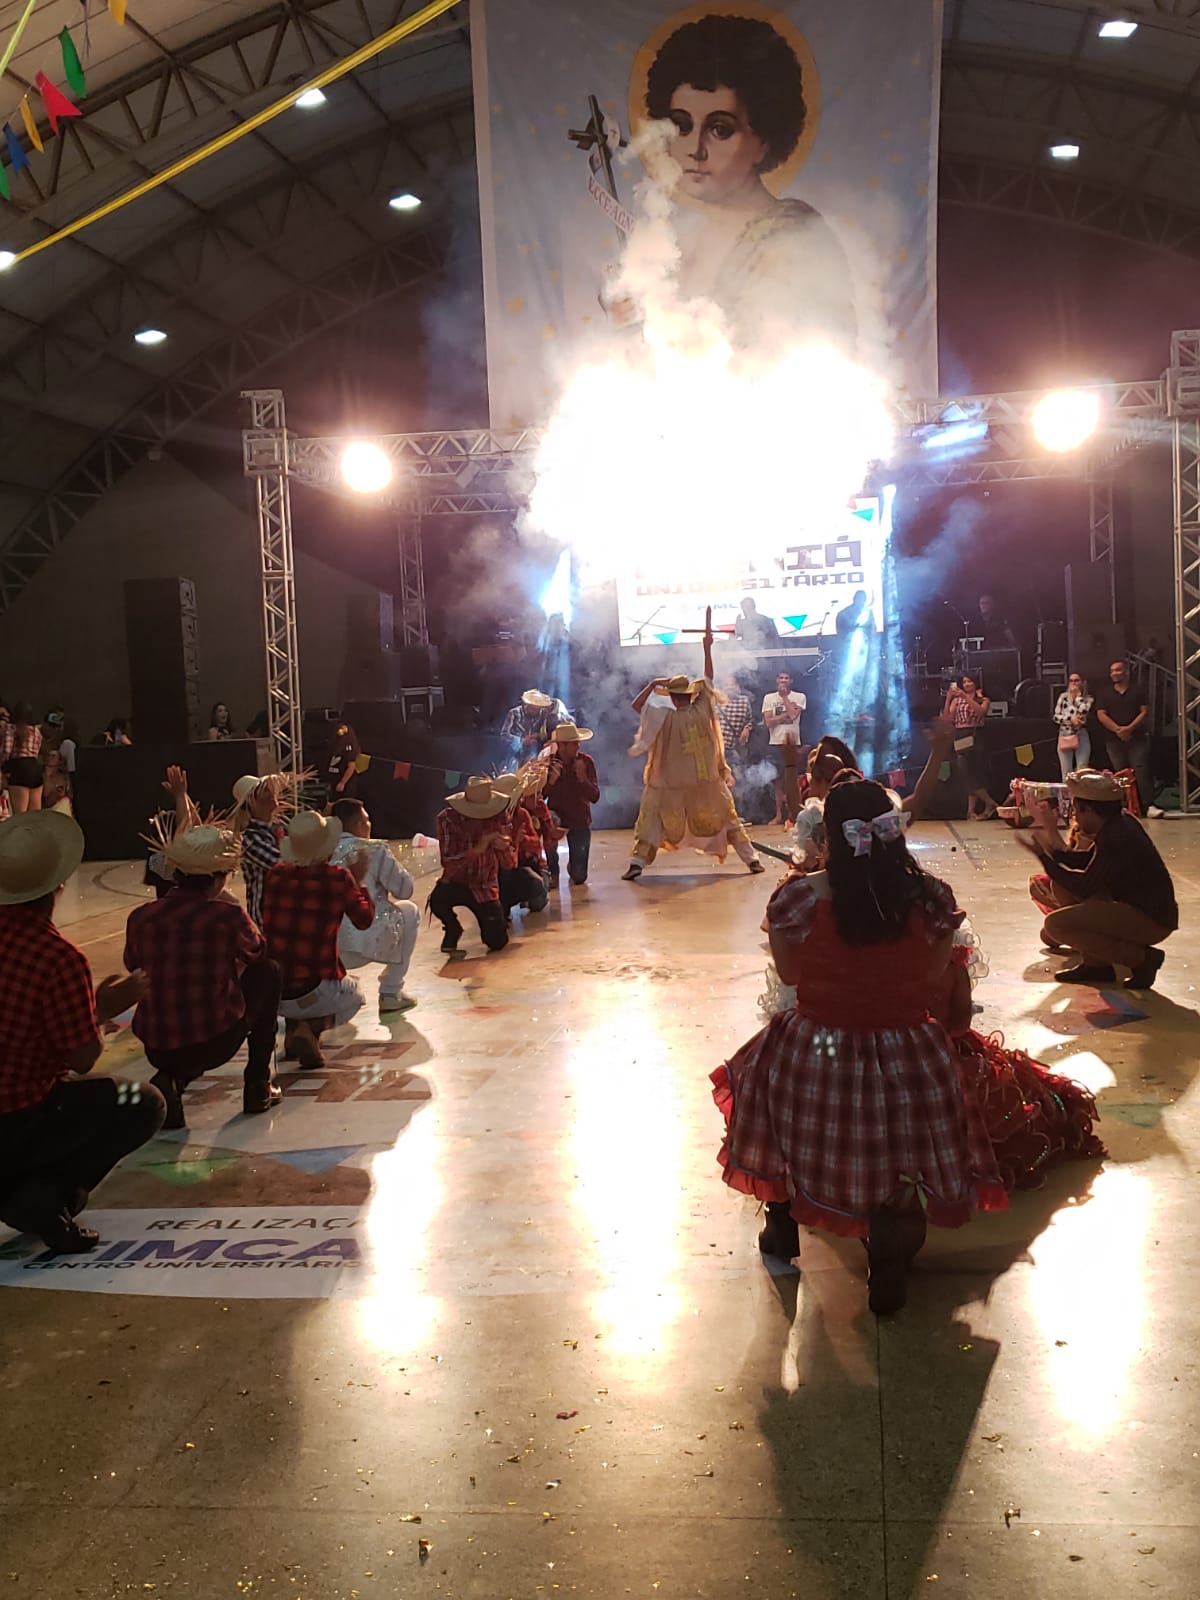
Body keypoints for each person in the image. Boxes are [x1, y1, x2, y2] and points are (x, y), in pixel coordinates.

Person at [712, 779, 1009, 1314]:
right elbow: (932, 977)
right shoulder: (932, 898)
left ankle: (781, 1221)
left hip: (817, 1045)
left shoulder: (798, 897)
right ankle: (889, 1249)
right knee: (899, 1150)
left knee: (765, 1100)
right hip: (908, 1050)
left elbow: (790, 973)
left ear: (828, 838)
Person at [640, 12, 855, 355]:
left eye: (719, 129)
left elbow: (815, 358)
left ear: (764, 141)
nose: (695, 150)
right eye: (682, 126)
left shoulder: (796, 241)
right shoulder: (684, 238)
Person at [0, 812, 164, 1253]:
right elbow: (82, 1057)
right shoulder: (58, 958)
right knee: (141, 1102)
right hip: (22, 1115)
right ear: (58, 886)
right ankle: (48, 1196)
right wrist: (104, 1007)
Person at [124, 824, 283, 1130]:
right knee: (269, 972)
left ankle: (172, 1079)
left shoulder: (141, 916)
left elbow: (133, 965)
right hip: (213, 1039)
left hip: (156, 1043)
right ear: (222, 877)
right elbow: (258, 951)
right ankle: (258, 1084)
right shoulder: (227, 916)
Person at [623, 611, 763, 880]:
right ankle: (752, 860)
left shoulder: (664, 718)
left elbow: (637, 705)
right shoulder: (700, 709)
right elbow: (709, 679)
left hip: (671, 784)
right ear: (688, 695)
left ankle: (636, 864)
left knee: (651, 820)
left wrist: (652, 685)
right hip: (705, 781)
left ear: (672, 697)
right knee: (729, 819)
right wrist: (706, 649)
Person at [1020, 768, 1177, 990]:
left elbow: (1085, 886)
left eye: (1076, 810)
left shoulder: (1116, 835)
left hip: (1151, 920)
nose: (1075, 816)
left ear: (1089, 810)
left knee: (1055, 925)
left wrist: (1044, 858)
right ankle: (1096, 965)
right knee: (1061, 887)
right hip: (1140, 910)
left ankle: (1141, 959)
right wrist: (1054, 854)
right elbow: (1087, 860)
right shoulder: (1118, 822)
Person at [261, 810, 373, 1069]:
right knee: (356, 996)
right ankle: (312, 1028)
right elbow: (364, 919)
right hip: (316, 985)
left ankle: (294, 1028)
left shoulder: (275, 874)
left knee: (291, 955)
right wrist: (359, 880)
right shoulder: (337, 878)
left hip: (277, 990)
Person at [329, 797, 419, 1014]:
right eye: (367, 820)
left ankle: (331, 991)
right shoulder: (374, 849)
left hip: (327, 949)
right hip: (369, 941)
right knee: (410, 911)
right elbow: (405, 889)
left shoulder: (318, 852)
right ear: (360, 824)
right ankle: (391, 991)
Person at [429, 776, 513, 956]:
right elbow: (448, 860)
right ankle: (452, 927)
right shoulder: (447, 819)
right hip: (456, 881)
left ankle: (497, 918)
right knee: (437, 900)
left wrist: (504, 847)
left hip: (485, 884)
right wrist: (477, 850)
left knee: (497, 941)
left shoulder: (500, 815)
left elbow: (510, 863)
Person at [543, 721, 600, 888]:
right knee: (549, 821)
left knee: (579, 877)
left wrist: (583, 779)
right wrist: (551, 781)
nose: (578, 746)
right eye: (574, 743)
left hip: (579, 818)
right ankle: (552, 871)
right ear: (562, 745)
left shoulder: (586, 762)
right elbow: (538, 797)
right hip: (556, 815)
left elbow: (595, 796)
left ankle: (574, 866)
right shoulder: (548, 762)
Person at [1094, 659, 1156, 814]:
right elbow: (1101, 714)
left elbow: (1144, 711)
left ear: (1126, 672)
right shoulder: (1105, 693)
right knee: (1119, 772)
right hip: (1113, 739)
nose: (1114, 673)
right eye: (1112, 671)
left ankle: (1148, 805)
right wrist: (1118, 730)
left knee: (1141, 769)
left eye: (1117, 670)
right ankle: (1124, 806)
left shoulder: (1138, 690)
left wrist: (1129, 729)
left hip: (1137, 737)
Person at [231, 774, 284, 929]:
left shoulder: (273, 831)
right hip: (266, 918)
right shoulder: (250, 839)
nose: (272, 793)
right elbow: (282, 864)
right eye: (265, 790)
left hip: (278, 914)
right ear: (251, 801)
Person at [943, 674, 998, 820]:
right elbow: (947, 719)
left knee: (976, 772)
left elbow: (981, 712)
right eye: (964, 682)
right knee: (966, 772)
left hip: (975, 734)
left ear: (975, 683)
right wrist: (948, 698)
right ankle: (988, 803)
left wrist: (966, 697)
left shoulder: (983, 699)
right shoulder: (957, 700)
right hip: (960, 734)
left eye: (969, 681)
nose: (966, 684)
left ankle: (972, 810)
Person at [762, 671, 806, 825]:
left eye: (786, 678)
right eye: (781, 678)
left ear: (790, 681)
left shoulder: (799, 697)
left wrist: (785, 697)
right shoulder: (769, 698)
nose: (783, 680)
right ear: (776, 680)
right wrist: (785, 714)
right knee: (778, 782)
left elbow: (793, 716)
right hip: (776, 742)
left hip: (792, 742)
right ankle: (779, 815)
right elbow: (768, 722)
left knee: (792, 780)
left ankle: (793, 815)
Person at [501, 689, 568, 764]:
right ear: (526, 704)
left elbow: (546, 733)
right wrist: (522, 741)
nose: (536, 711)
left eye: (538, 709)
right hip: (514, 754)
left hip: (534, 753)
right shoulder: (514, 713)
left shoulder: (542, 714)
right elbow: (504, 735)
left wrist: (538, 736)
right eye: (533, 708)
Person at [2, 702, 44, 813]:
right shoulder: (36, 731)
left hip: (19, 767)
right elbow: (37, 751)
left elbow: (7, 750)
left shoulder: (11, 728)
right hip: (35, 768)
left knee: (20, 814)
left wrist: (3, 766)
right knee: (34, 814)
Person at [1054, 673, 1094, 777]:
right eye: (1071, 681)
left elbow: (1084, 711)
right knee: (1066, 772)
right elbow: (1056, 717)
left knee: (1082, 770)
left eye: (1076, 680)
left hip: (1081, 734)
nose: (1073, 683)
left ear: (1082, 683)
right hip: (1065, 734)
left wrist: (1078, 698)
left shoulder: (1088, 699)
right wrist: (1070, 719)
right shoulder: (1063, 697)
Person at [325, 720, 360, 800]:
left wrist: (342, 782)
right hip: (334, 780)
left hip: (344, 783)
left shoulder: (349, 747)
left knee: (344, 802)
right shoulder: (334, 745)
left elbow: (351, 767)